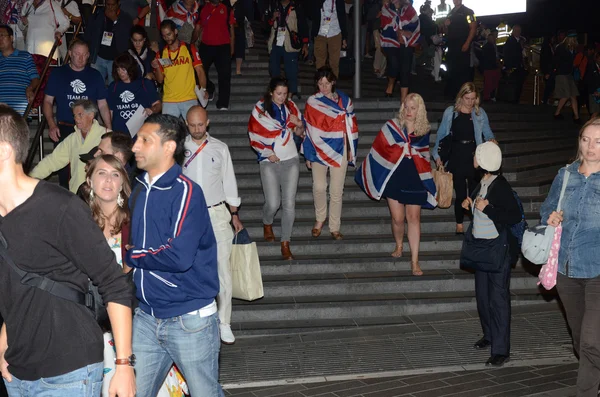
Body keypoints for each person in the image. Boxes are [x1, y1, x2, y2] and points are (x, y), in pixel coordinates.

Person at [0, 104, 135, 397]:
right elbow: (15, 287)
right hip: (18, 370)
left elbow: (114, 284)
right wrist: (3, 343)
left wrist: (124, 364)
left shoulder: (59, 207)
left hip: (68, 370)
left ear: (3, 151)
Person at [126, 113, 223, 397]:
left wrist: (132, 257)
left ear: (169, 147)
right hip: (146, 316)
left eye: (145, 140)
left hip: (189, 319)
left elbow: (178, 256)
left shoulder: (187, 193)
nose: (135, 146)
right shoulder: (140, 190)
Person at [540, 118, 600, 395]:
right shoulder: (565, 175)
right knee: (579, 337)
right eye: (586, 139)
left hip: (598, 271)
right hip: (566, 269)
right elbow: (547, 208)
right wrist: (550, 217)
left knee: (591, 341)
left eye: (599, 141)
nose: (591, 147)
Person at [355, 93, 436, 276]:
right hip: (394, 173)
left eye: (413, 108)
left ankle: (415, 261)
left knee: (414, 218)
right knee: (398, 218)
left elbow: (424, 154)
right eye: (406, 107)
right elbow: (380, 147)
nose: (408, 111)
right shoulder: (392, 126)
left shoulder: (424, 129)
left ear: (419, 110)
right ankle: (399, 244)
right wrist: (401, 147)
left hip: (415, 175)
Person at [183, 105, 243, 345]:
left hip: (217, 213)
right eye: (192, 125)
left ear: (207, 123)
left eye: (200, 124)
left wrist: (234, 212)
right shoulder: (179, 148)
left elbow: (229, 180)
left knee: (223, 270)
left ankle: (224, 322)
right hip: (188, 216)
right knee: (188, 267)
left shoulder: (220, 148)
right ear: (186, 124)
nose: (197, 129)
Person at [462, 141, 520, 368]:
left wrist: (488, 209)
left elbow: (513, 216)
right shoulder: (483, 182)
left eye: (476, 155)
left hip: (498, 251)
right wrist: (471, 205)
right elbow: (481, 210)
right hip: (482, 249)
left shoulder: (501, 186)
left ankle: (501, 350)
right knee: (483, 298)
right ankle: (489, 335)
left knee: (498, 300)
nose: (473, 158)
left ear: (483, 160)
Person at [84, 154, 133, 396]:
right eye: (101, 173)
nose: (108, 180)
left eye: (115, 174)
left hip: (131, 320)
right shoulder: (79, 223)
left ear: (122, 183)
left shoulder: (135, 221)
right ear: (89, 181)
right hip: (93, 322)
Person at [248, 77, 304, 260]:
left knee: (289, 204)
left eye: (285, 94)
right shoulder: (260, 109)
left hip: (291, 159)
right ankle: (267, 221)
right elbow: (254, 133)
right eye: (278, 94)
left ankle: (285, 243)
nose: (282, 97)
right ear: (271, 92)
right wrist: (266, 152)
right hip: (269, 161)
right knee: (273, 203)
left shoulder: (292, 108)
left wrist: (298, 124)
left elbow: (299, 134)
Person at [43, 39, 111, 188]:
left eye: (84, 55)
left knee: (90, 168)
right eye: (77, 54)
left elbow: (103, 104)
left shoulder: (95, 75)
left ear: (88, 56)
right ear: (69, 54)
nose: (81, 58)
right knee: (64, 170)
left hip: (90, 129)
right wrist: (51, 124)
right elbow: (48, 101)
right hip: (65, 127)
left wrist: (108, 128)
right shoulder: (58, 73)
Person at [303, 67, 358, 240]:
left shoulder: (345, 101)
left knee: (336, 190)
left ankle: (334, 226)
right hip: (318, 149)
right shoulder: (313, 101)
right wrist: (308, 153)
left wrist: (350, 148)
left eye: (327, 83)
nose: (324, 87)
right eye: (320, 83)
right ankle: (320, 219)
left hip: (340, 148)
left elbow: (350, 127)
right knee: (319, 186)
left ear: (333, 82)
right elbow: (308, 128)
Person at [432, 82, 495, 234]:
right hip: (455, 156)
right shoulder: (451, 112)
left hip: (474, 157)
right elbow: (441, 135)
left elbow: (487, 133)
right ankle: (459, 223)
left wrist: (492, 141)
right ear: (461, 96)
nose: (470, 102)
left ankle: (475, 223)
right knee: (460, 193)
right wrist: (437, 155)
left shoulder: (480, 113)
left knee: (474, 192)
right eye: (467, 98)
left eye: (473, 99)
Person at [31, 99, 107, 192]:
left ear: (91, 115)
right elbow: (53, 160)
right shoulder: (72, 139)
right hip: (76, 195)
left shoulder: (105, 136)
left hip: (99, 194)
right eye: (74, 115)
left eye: (80, 115)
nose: (76, 119)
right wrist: (31, 177)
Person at [152, 19, 207, 119]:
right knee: (169, 133)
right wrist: (156, 67)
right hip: (169, 100)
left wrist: (203, 90)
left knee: (194, 130)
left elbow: (200, 71)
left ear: (175, 32)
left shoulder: (189, 48)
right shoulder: (160, 54)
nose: (167, 38)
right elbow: (160, 79)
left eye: (169, 34)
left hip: (189, 98)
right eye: (164, 36)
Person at [19, 0, 69, 108]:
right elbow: (21, 25)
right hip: (30, 50)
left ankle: (44, 109)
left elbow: (65, 22)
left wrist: (59, 31)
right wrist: (23, 23)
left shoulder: (52, 4)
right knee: (30, 82)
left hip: (46, 51)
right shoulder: (28, 4)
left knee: (44, 83)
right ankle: (32, 108)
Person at [107, 53, 161, 136]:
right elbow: (109, 111)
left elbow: (158, 104)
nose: (121, 73)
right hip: (120, 134)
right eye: (118, 70)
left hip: (142, 133)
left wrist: (152, 110)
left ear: (131, 69)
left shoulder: (145, 84)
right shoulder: (113, 86)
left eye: (123, 69)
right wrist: (109, 129)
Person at [84, 0, 134, 85]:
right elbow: (89, 33)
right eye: (108, 4)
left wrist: (115, 20)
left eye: (113, 5)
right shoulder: (98, 14)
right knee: (96, 84)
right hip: (98, 57)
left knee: (114, 87)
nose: (110, 7)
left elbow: (126, 37)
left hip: (116, 60)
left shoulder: (125, 17)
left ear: (118, 4)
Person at [198, 0, 235, 111]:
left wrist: (232, 49)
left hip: (223, 46)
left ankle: (223, 103)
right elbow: (199, 27)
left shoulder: (227, 9)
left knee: (224, 75)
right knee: (200, 72)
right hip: (206, 46)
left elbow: (232, 30)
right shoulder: (202, 8)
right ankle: (209, 89)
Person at [267, 0, 308, 100]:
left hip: (290, 44)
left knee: (291, 71)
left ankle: (289, 96)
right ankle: (275, 93)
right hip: (276, 43)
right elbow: (266, 24)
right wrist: (273, 18)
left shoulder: (297, 7)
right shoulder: (274, 5)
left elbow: (303, 25)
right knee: (274, 68)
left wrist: (305, 44)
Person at [380, 0, 420, 103]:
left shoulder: (409, 9)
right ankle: (391, 83)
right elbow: (385, 25)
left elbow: (415, 24)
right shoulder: (387, 8)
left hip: (406, 42)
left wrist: (406, 34)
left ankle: (403, 102)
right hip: (391, 41)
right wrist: (399, 31)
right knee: (394, 65)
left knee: (405, 70)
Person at [0, 25, 39, 116]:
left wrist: (30, 89)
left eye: (2, 35)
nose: (0, 39)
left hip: (19, 110)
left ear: (11, 38)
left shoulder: (25, 56)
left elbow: (36, 80)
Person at [443, 0, 476, 99]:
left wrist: (467, 43)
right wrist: (445, 25)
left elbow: (473, 28)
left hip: (462, 45)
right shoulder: (450, 13)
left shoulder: (468, 11)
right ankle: (452, 95)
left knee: (463, 70)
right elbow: (446, 31)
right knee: (451, 69)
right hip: (452, 46)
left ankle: (463, 95)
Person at [309, 0, 348, 79]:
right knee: (320, 62)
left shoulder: (339, 1)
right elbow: (310, 14)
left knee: (334, 63)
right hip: (320, 33)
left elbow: (342, 16)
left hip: (335, 32)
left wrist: (344, 37)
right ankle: (321, 85)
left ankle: (332, 86)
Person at [553, 32, 581, 123]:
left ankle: (576, 117)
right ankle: (557, 113)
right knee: (566, 95)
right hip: (562, 73)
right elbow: (557, 61)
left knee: (573, 95)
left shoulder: (571, 49)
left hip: (568, 73)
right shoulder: (561, 48)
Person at [502, 24, 526, 103]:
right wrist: (508, 67)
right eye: (517, 31)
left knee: (518, 85)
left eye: (519, 31)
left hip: (519, 67)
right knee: (513, 85)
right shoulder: (510, 41)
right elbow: (507, 55)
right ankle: (512, 101)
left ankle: (515, 100)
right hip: (513, 67)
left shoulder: (520, 41)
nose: (518, 32)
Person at [481, 29, 500, 102]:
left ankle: (490, 96)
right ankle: (487, 97)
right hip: (489, 67)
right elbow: (489, 57)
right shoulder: (488, 46)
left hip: (492, 67)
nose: (495, 38)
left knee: (492, 83)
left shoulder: (493, 46)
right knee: (489, 83)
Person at [540, 35, 556, 105]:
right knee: (549, 85)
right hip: (548, 70)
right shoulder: (546, 47)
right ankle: (545, 99)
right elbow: (544, 60)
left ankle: (546, 99)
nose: (553, 39)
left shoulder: (550, 46)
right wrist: (546, 71)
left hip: (550, 70)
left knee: (550, 85)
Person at [586, 50, 600, 120]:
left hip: (598, 91)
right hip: (594, 92)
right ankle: (588, 127)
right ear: (596, 58)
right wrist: (594, 91)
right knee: (595, 111)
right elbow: (589, 80)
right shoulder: (591, 66)